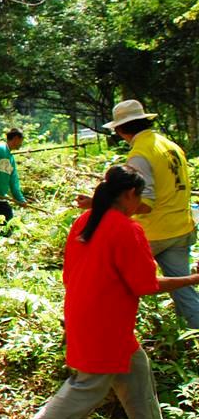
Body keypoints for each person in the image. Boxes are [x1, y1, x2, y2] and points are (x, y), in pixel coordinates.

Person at [7, 165, 199, 419]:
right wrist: (192, 279)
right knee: (89, 385)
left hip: (84, 312)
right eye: (140, 196)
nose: (140, 204)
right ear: (129, 194)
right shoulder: (127, 229)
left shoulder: (85, 220)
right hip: (106, 322)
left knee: (136, 369)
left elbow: (71, 273)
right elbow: (145, 285)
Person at [77, 100, 198, 329]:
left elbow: (145, 203)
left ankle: (95, 325)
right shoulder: (169, 145)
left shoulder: (140, 154)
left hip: (154, 232)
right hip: (181, 227)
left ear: (120, 129)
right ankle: (193, 336)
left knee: (109, 280)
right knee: (183, 290)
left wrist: (97, 203)